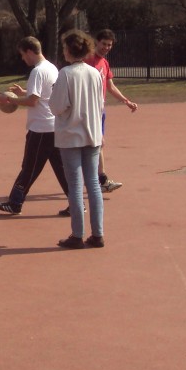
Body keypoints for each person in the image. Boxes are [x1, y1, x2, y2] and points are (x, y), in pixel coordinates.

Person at [0, 36, 70, 216]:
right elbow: (44, 94)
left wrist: (10, 99)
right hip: (54, 126)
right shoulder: (51, 67)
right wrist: (24, 92)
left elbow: (33, 101)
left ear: (29, 51)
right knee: (61, 168)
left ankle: (15, 202)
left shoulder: (37, 71)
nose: (22, 59)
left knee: (29, 167)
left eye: (22, 55)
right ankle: (76, 203)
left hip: (41, 129)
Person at [49, 30, 105, 249]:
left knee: (75, 185)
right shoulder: (93, 73)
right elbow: (100, 104)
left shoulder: (66, 74)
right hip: (92, 133)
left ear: (70, 50)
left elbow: (57, 106)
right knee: (93, 184)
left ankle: (77, 234)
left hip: (71, 135)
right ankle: (98, 233)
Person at [84, 29, 137, 192]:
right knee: (96, 144)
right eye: (104, 44)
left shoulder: (104, 63)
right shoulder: (87, 60)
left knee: (97, 145)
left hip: (100, 110)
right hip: (88, 110)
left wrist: (126, 100)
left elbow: (110, 86)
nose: (106, 47)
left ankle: (98, 179)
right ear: (96, 42)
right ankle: (100, 179)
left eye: (109, 45)